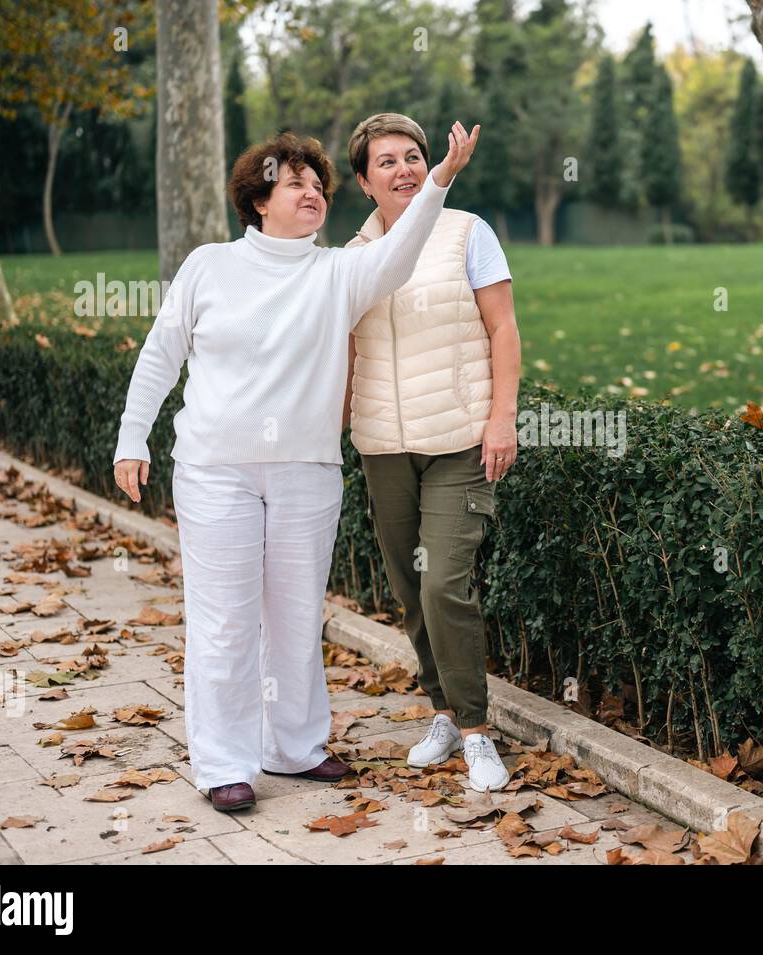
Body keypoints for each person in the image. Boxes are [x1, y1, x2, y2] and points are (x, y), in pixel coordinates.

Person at [112, 123, 480, 812]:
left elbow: (400, 252)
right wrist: (133, 438)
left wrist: (441, 179)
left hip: (306, 473)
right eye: (295, 183)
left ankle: (295, 746)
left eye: (319, 185)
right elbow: (161, 355)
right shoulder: (209, 266)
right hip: (215, 469)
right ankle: (224, 761)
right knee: (224, 621)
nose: (312, 192)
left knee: (295, 617)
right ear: (258, 198)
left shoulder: (337, 273)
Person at [341, 113, 520, 793]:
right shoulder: (353, 256)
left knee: (446, 580)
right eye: (385, 162)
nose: (404, 169)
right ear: (364, 181)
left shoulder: (468, 233)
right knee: (411, 589)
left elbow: (503, 327)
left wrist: (501, 419)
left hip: (459, 442)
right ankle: (441, 712)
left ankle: (476, 731)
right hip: (383, 446)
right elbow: (344, 351)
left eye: (413, 156)